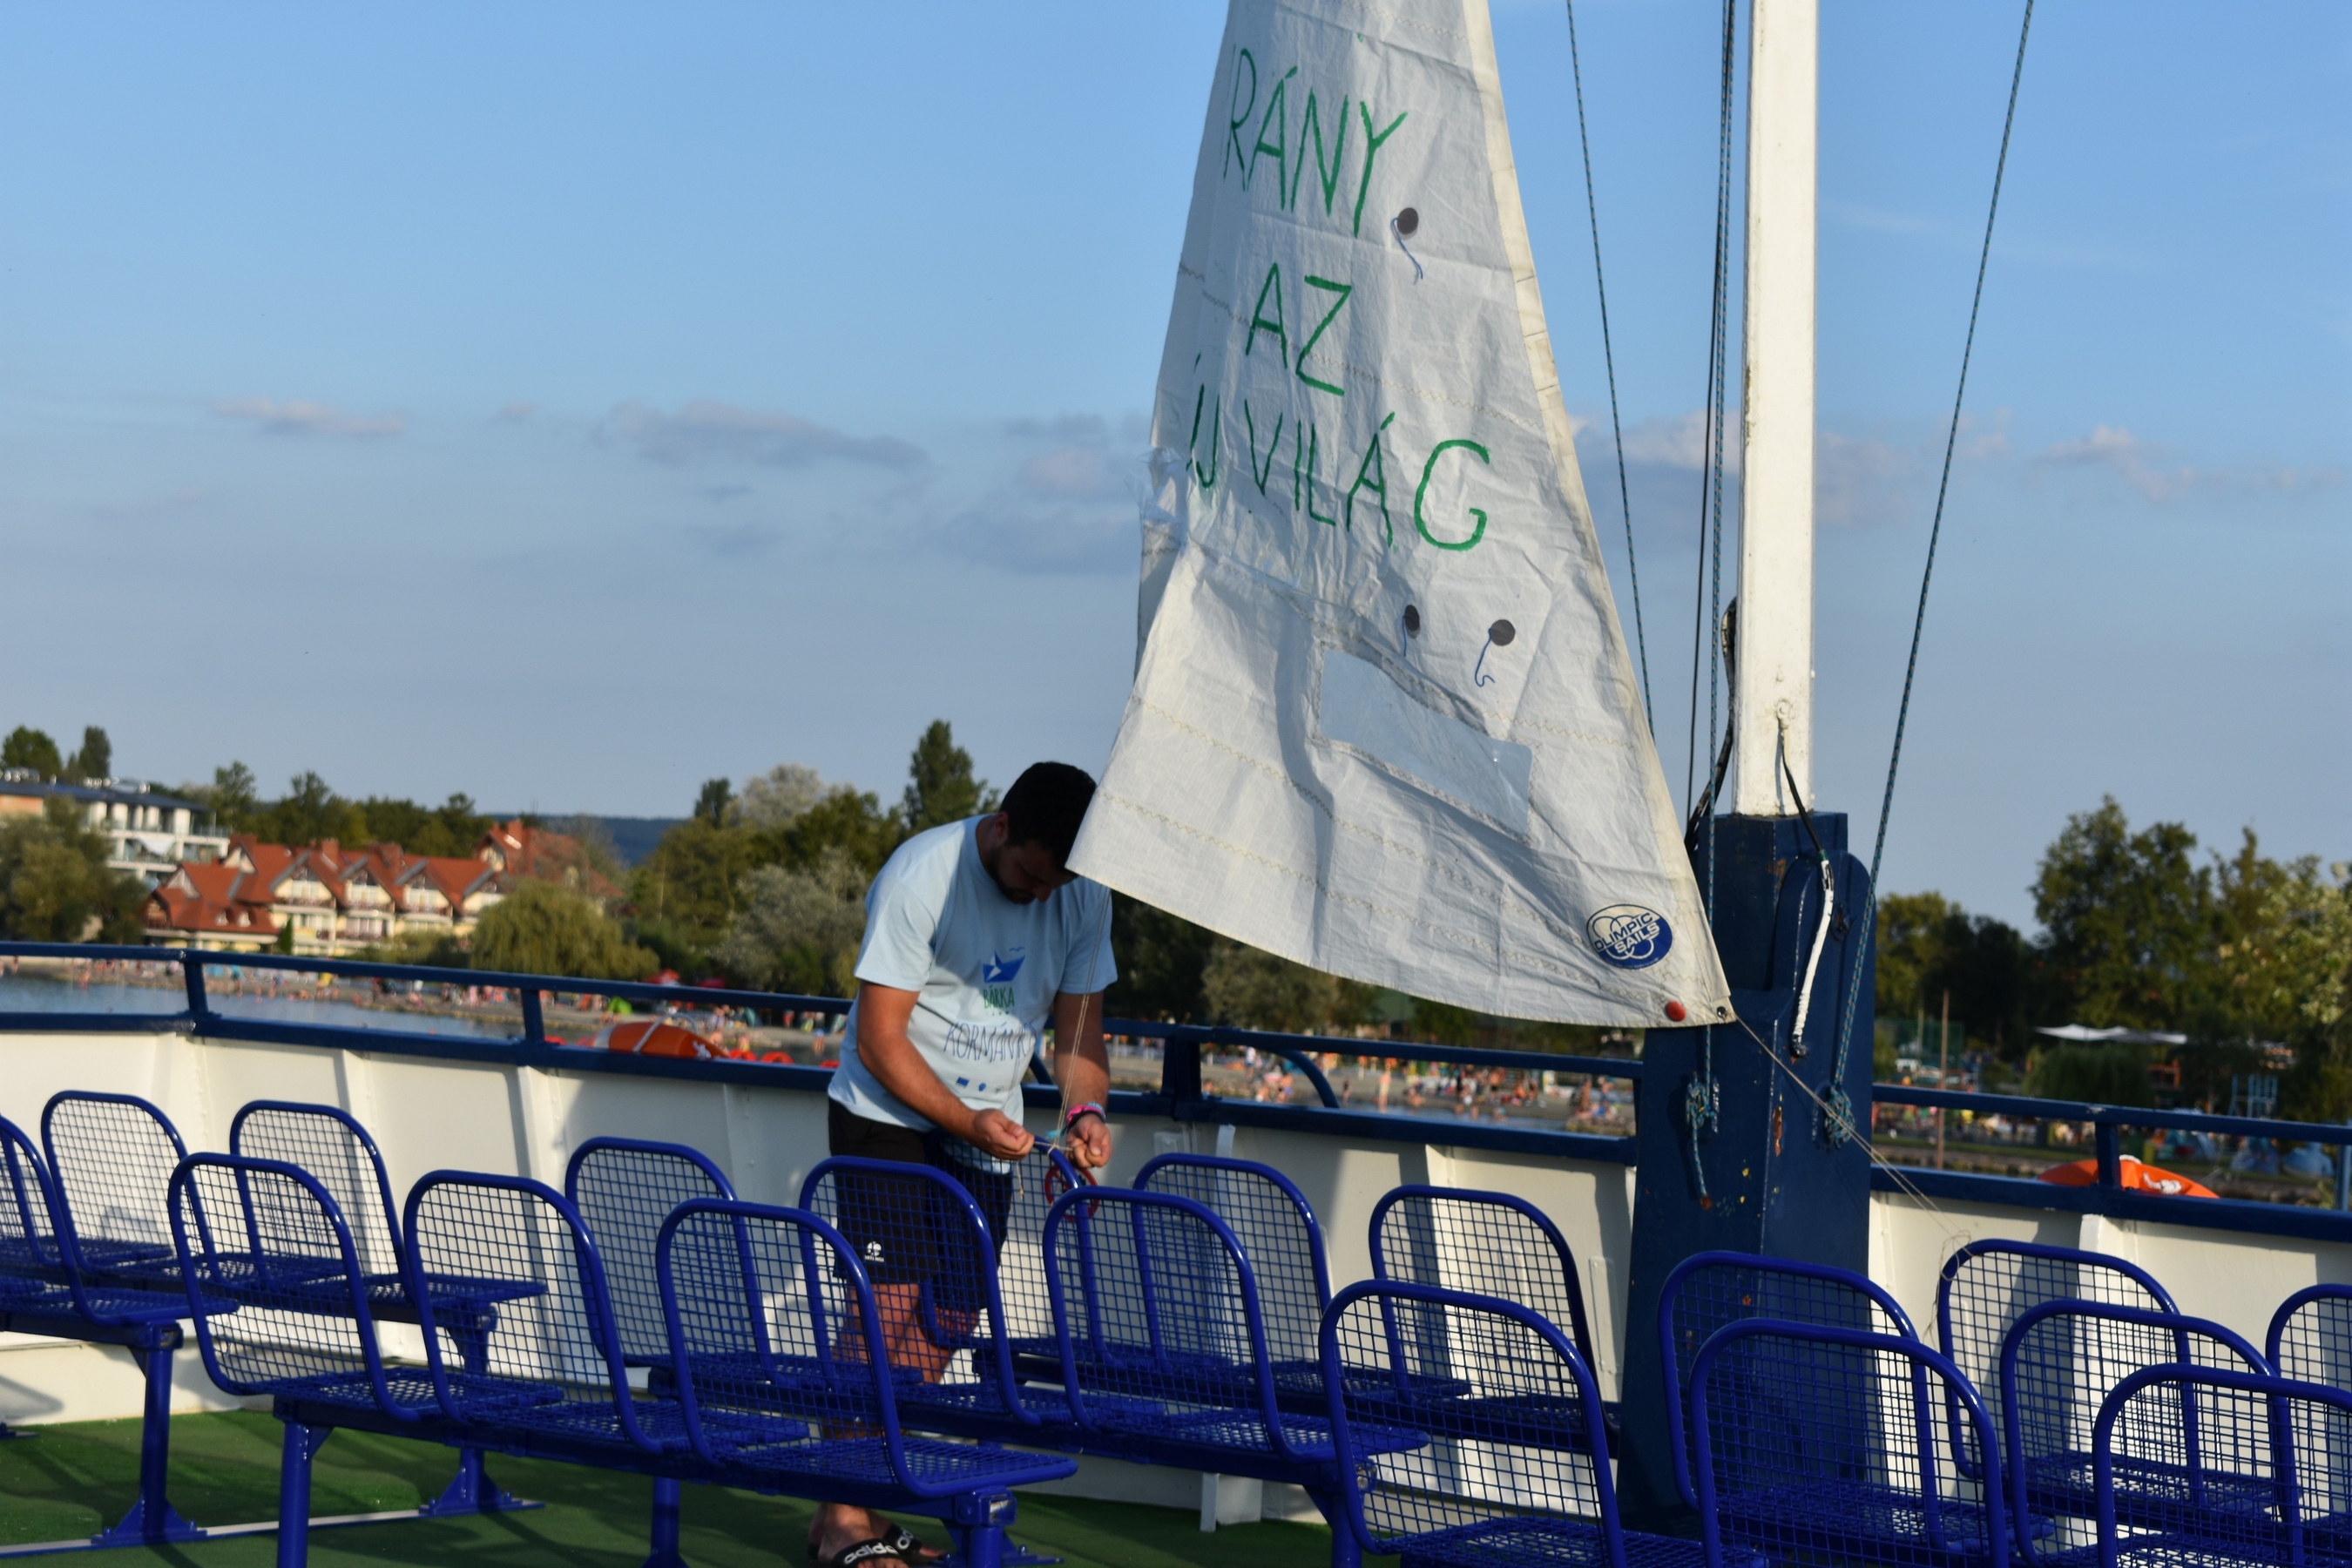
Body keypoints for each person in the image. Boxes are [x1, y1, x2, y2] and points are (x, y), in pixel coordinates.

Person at [810, 760, 1115, 1568]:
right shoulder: (922, 874)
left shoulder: (1083, 891)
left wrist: (1084, 1112)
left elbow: (1079, 1032)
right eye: (1030, 877)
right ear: (1002, 826)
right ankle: (841, 1515)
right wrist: (965, 1122)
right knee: (886, 1304)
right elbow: (879, 1038)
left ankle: (874, 1490)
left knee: (953, 1309)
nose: (1042, 897)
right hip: (886, 1110)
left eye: (1056, 885)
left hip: (989, 1124)